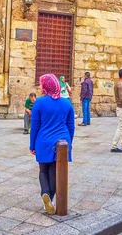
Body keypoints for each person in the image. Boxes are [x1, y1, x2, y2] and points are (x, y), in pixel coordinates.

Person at [29, 74, 75, 215]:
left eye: (41, 84)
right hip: (62, 141)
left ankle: (45, 193)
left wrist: (32, 145)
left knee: (43, 170)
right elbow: (71, 126)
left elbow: (35, 126)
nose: (39, 86)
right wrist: (69, 144)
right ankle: (50, 198)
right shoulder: (67, 103)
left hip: (43, 140)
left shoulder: (39, 103)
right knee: (56, 172)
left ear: (47, 86)